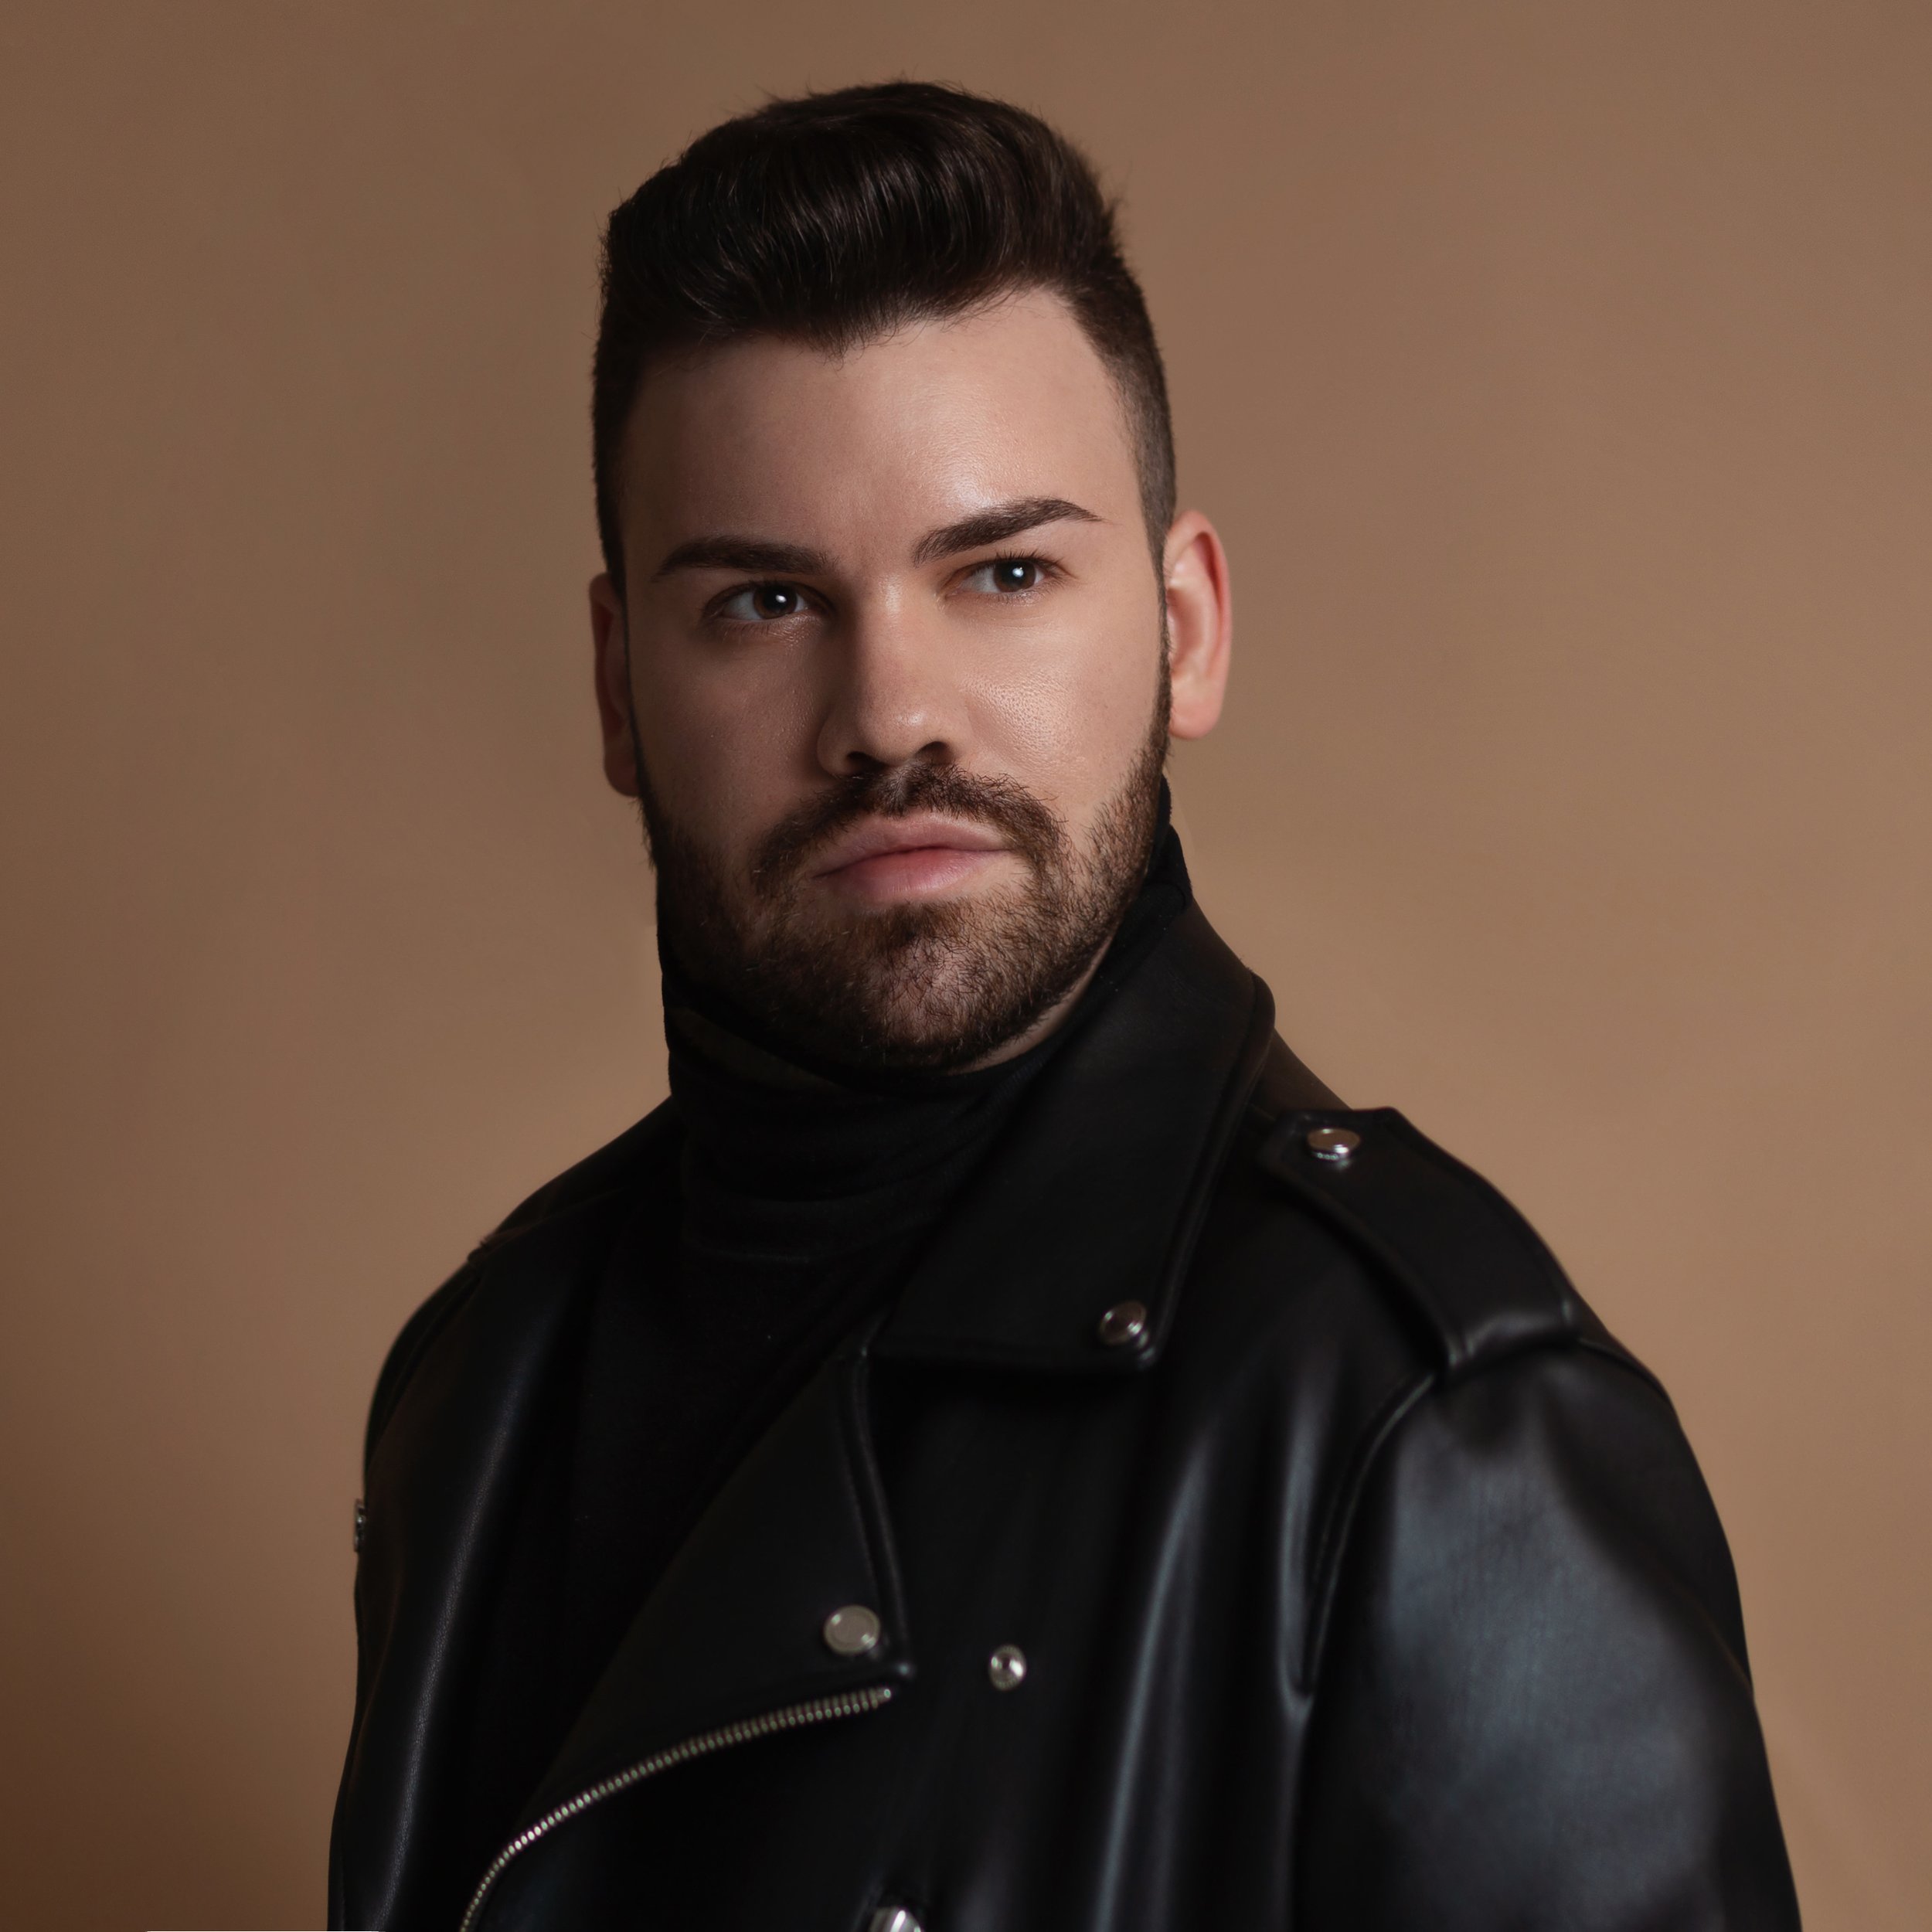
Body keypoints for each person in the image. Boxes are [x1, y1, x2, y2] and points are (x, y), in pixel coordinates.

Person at [328, 81, 1800, 1932]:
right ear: (621, 687)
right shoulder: (479, 1379)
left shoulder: (1434, 1430)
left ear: (1182, 627)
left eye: (1003, 572)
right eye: (768, 602)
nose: (889, 711)